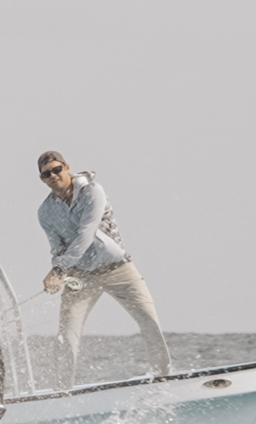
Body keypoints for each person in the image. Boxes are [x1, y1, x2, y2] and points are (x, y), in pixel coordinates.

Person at [35, 151, 172, 386]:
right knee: (66, 336)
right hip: (79, 276)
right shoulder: (45, 212)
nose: (54, 176)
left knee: (149, 320)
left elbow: (84, 235)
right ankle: (61, 392)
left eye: (57, 169)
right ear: (43, 179)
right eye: (47, 174)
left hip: (118, 268)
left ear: (67, 167)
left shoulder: (93, 191)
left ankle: (164, 378)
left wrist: (58, 270)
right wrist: (57, 272)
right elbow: (57, 248)